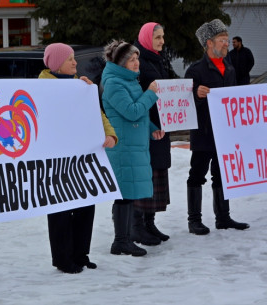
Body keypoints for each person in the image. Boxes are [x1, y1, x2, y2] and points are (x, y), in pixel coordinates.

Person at [39, 43, 118, 274]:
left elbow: (97, 112)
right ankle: (63, 259)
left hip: (82, 158)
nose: (75, 63)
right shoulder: (41, 88)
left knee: (85, 203)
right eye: (70, 59)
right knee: (60, 210)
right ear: (56, 64)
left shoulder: (79, 85)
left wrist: (110, 133)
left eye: (74, 58)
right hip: (56, 160)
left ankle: (81, 254)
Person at [185, 19, 249, 235]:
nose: (227, 44)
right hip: (203, 133)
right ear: (209, 43)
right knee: (197, 175)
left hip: (224, 134)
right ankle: (194, 220)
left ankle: (223, 217)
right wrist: (196, 95)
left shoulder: (230, 68)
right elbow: (185, 104)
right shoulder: (195, 70)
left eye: (227, 39)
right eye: (222, 40)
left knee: (222, 175)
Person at [102, 39, 163, 257]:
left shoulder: (128, 80)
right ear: (121, 62)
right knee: (124, 195)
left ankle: (125, 239)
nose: (137, 63)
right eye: (131, 59)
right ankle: (120, 241)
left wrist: (152, 128)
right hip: (123, 148)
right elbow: (132, 111)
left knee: (127, 194)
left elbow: (138, 115)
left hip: (133, 145)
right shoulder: (113, 83)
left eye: (137, 58)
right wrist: (151, 93)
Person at [131, 22, 178, 246]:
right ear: (147, 39)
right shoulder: (137, 61)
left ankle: (149, 223)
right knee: (144, 176)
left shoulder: (158, 60)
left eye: (163, 36)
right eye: (157, 37)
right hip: (146, 126)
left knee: (156, 175)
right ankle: (136, 226)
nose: (162, 41)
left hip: (161, 125)